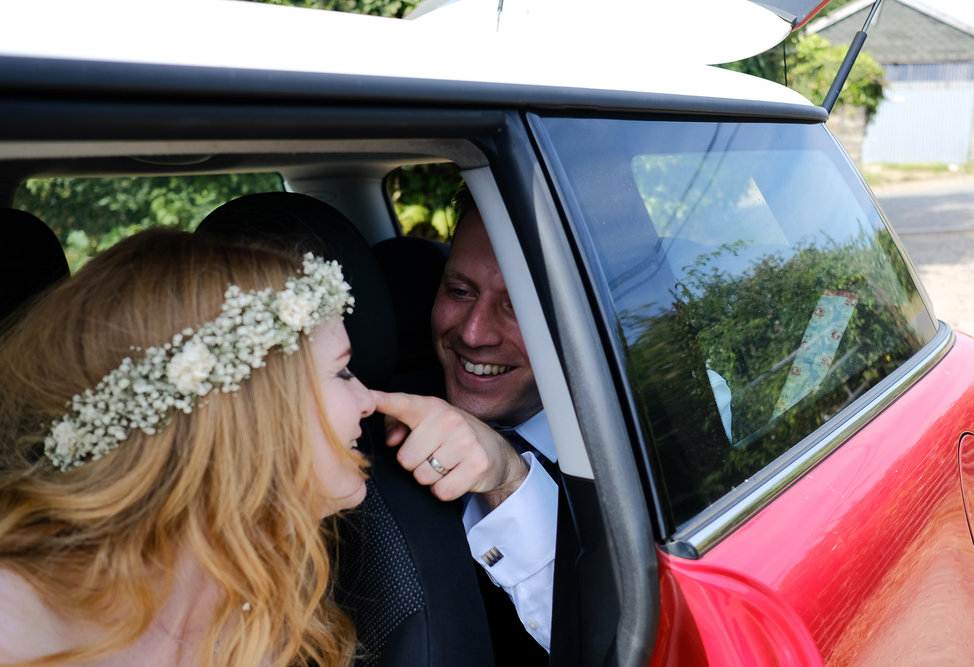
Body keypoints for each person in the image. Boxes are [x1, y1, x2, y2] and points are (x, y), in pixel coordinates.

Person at [0, 228, 375, 666]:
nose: (369, 400)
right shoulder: (15, 619)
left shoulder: (276, 602)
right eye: (343, 372)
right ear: (250, 414)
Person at [375, 196, 557, 656]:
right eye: (459, 292)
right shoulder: (369, 434)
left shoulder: (654, 426)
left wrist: (510, 480)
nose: (474, 333)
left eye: (517, 305)